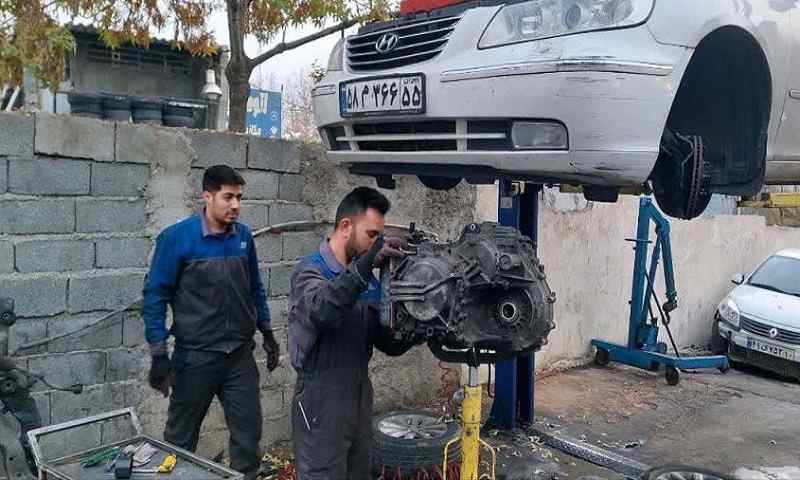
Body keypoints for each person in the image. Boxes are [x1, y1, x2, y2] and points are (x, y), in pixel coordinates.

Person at [142, 165, 281, 480]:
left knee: (248, 439)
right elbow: (155, 297)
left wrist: (267, 332)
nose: (236, 205)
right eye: (228, 197)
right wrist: (159, 354)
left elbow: (255, 288)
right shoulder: (177, 239)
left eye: (239, 197)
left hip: (239, 358)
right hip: (195, 359)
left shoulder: (243, 237)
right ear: (207, 196)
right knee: (179, 442)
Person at [289, 186, 413, 480]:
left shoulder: (367, 281)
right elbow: (323, 310)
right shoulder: (310, 272)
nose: (376, 245)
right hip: (320, 401)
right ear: (346, 227)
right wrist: (365, 266)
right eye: (372, 235)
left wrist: (417, 321)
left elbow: (387, 342)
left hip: (359, 395)